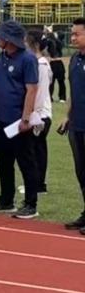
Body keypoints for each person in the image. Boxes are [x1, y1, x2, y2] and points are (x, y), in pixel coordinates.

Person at [0, 20, 39, 217]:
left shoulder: (27, 59)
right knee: (4, 161)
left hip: (18, 120)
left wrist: (25, 118)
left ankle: (31, 204)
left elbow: (31, 89)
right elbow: (1, 82)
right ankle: (6, 199)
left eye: (1, 36)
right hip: (1, 117)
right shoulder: (2, 58)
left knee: (26, 162)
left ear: (10, 39)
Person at [61, 18, 85, 234]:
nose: (73, 38)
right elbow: (72, 91)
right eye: (72, 33)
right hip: (76, 124)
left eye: (77, 34)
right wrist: (67, 115)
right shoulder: (75, 59)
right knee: (81, 171)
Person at [24, 30, 52, 202]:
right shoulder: (39, 63)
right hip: (41, 113)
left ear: (33, 44)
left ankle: (37, 184)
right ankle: (38, 183)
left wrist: (34, 116)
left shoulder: (41, 65)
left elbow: (39, 93)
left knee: (36, 151)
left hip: (40, 114)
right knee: (38, 149)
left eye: (26, 42)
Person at [44, 25, 67, 103]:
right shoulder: (50, 41)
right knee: (51, 81)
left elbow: (56, 42)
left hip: (58, 62)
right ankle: (49, 97)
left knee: (61, 81)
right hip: (52, 63)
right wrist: (47, 33)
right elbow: (46, 42)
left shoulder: (60, 42)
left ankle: (62, 97)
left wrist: (50, 32)